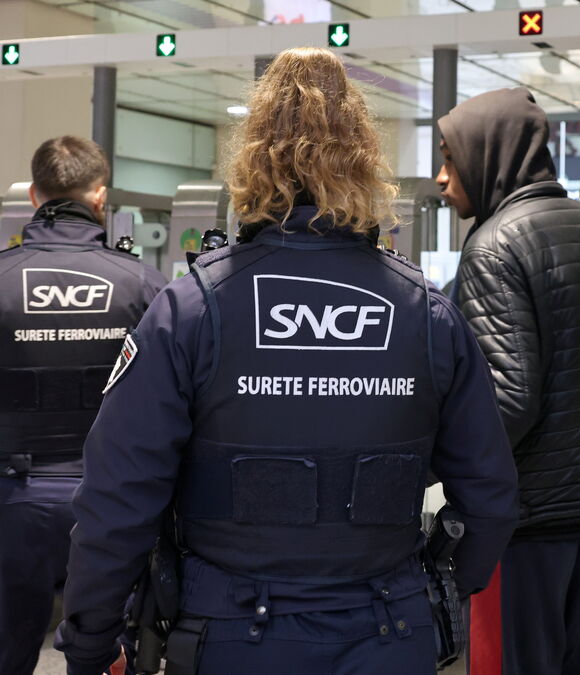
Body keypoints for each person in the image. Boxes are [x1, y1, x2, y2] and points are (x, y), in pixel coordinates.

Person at [54, 47, 519, 675]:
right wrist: (434, 587)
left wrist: (90, 642)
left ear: (251, 157)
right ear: (364, 156)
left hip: (229, 635)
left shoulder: (191, 310)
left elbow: (117, 499)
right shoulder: (428, 314)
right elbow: (490, 497)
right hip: (390, 629)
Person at [436, 87, 580, 675]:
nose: (441, 178)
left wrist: (430, 466)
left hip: (532, 530)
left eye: (449, 156)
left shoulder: (494, 247)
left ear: (490, 154)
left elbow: (506, 401)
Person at [0, 135, 166, 675]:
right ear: (100, 196)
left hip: (12, 502)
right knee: (105, 653)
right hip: (111, 508)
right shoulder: (142, 283)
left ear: (33, 197)